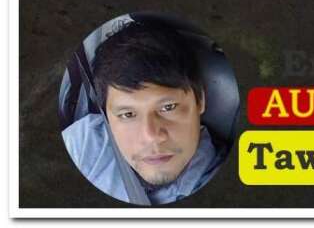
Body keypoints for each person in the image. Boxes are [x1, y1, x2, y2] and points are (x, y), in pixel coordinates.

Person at [62, 19, 220, 205]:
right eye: (128, 115)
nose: (151, 136)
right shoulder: (85, 143)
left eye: (168, 107)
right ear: (107, 117)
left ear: (199, 100)